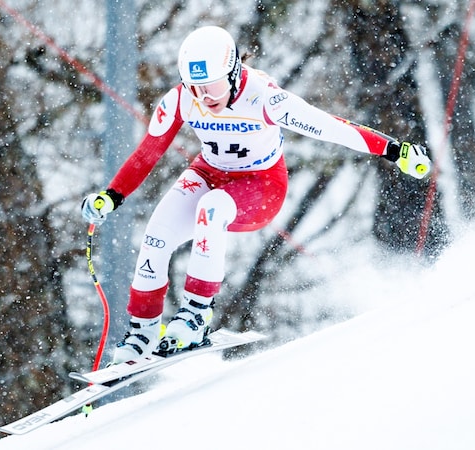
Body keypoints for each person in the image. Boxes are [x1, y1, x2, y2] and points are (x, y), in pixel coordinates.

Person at [82, 26, 430, 363]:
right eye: (195, 87)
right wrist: (112, 196)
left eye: (213, 85)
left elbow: (330, 127)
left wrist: (395, 151)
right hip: (209, 172)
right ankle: (141, 332)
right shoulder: (179, 101)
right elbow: (148, 153)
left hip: (261, 186)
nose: (205, 97)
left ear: (233, 71)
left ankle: (195, 316)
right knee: (157, 234)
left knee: (212, 208)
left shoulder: (265, 98)